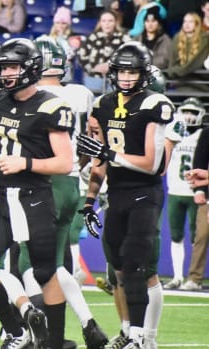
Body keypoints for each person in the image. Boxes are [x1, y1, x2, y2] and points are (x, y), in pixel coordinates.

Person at [0, 38, 73, 349]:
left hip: (34, 198)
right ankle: (17, 330)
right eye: (2, 68)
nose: (6, 74)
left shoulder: (51, 105)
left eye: (12, 67)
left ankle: (53, 342)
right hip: (1, 197)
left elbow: (65, 163)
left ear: (30, 68)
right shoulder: (0, 100)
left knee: (44, 272)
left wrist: (25, 162)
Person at [77, 41, 175, 348]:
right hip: (117, 193)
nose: (127, 77)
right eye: (122, 71)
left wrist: (110, 153)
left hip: (144, 194)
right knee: (118, 267)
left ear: (143, 73)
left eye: (133, 71)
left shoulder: (154, 104)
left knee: (135, 265)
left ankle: (139, 336)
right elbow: (100, 160)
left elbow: (152, 165)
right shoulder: (104, 104)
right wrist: (90, 201)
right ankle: (133, 333)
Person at [17, 35, 108, 349]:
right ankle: (88, 324)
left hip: (44, 182)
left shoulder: (34, 95)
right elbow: (90, 138)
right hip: (71, 183)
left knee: (27, 264)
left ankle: (40, 335)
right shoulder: (81, 93)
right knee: (55, 264)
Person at [163, 98, 205, 289]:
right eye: (186, 111)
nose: (189, 116)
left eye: (193, 113)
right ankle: (178, 276)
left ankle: (193, 277)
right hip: (175, 190)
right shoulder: (171, 133)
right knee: (176, 235)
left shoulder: (203, 135)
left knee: (198, 236)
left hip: (195, 191)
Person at [181, 116, 209, 291]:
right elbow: (199, 159)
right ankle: (194, 277)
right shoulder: (207, 133)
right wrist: (200, 190)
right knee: (202, 236)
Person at [77, 10, 131, 93]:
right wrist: (94, 68)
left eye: (110, 21)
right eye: (104, 21)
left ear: (115, 22)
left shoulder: (124, 39)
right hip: (93, 80)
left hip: (115, 82)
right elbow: (81, 56)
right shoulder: (92, 38)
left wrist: (112, 67)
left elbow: (130, 58)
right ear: (100, 23)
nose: (107, 24)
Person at [164, 12, 209, 90]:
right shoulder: (177, 38)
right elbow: (172, 62)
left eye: (190, 22)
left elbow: (195, 63)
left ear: (197, 24)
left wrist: (172, 72)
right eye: (185, 21)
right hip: (179, 82)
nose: (187, 24)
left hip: (199, 82)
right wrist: (171, 72)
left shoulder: (205, 39)